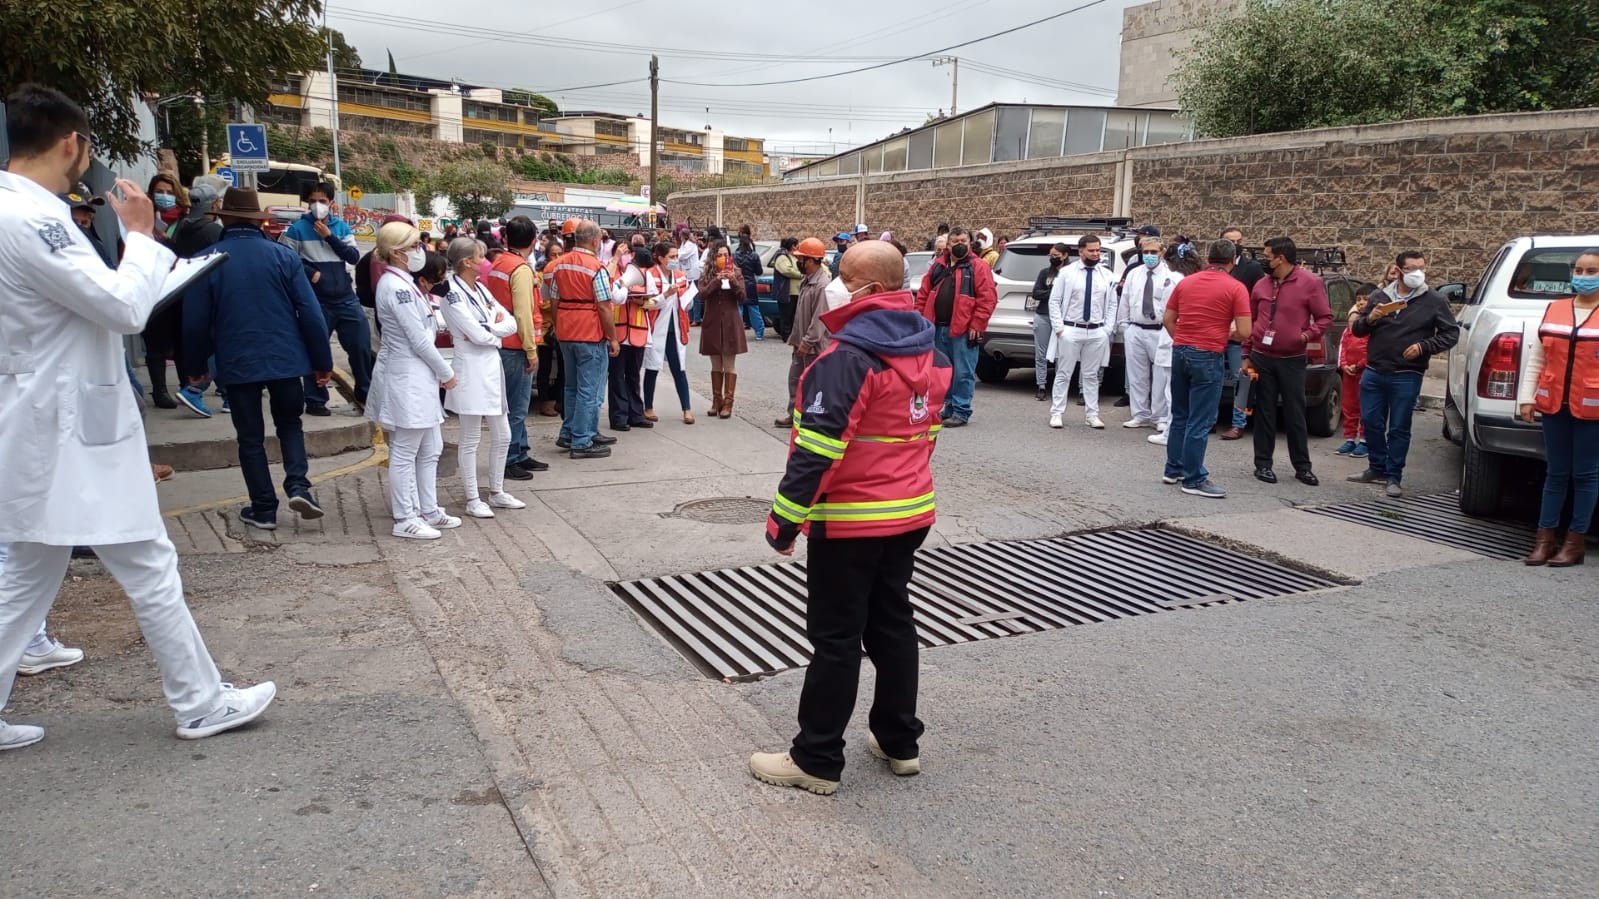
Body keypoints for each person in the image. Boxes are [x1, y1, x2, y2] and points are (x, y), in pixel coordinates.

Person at [0, 83, 276, 749]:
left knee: (27, 573)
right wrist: (144, 239)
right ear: (73, 143)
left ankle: (202, 697)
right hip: (71, 424)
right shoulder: (32, 220)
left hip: (43, 415)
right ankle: (200, 700)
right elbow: (121, 309)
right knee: (147, 564)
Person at [749, 240, 951, 796]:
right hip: (911, 512)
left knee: (836, 639)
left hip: (852, 522)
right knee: (893, 623)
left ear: (866, 288)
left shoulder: (845, 359)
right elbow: (925, 440)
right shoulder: (931, 354)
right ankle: (899, 741)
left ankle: (815, 758)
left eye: (844, 276)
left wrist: (783, 523)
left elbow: (815, 453)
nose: (837, 284)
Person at [183, 186, 334, 530]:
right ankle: (299, 485)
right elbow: (310, 313)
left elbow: (194, 322)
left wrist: (194, 367)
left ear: (224, 217)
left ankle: (264, 508)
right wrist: (321, 362)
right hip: (286, 359)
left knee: (250, 437)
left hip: (237, 361)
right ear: (258, 219)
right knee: (290, 424)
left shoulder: (207, 260)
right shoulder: (283, 257)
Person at [366, 221, 461, 538]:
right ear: (396, 253)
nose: (420, 251)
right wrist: (446, 373)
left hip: (418, 374)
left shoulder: (404, 282)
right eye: (413, 246)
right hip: (407, 374)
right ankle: (405, 517)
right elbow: (418, 340)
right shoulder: (396, 287)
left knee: (431, 447)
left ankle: (428, 509)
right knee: (406, 450)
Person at [1347, 251, 1460, 498]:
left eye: (1421, 267)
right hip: (1375, 370)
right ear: (1398, 271)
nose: (1418, 273)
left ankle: (1394, 475)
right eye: (1411, 268)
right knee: (1371, 421)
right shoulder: (1380, 295)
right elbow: (1357, 330)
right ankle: (1376, 467)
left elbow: (1451, 334)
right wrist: (1371, 318)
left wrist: (1423, 347)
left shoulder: (1434, 300)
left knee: (1399, 427)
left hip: (1407, 374)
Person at [1519, 249, 1599, 566]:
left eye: (1592, 271)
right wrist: (1527, 397)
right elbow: (1537, 357)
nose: (1583, 276)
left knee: (1586, 476)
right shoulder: (1555, 308)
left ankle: (1575, 543)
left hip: (1592, 410)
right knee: (1555, 473)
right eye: (1579, 270)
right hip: (1554, 405)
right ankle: (1544, 540)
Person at [440, 238, 528, 519]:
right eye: (481, 256)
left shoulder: (480, 288)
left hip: (490, 366)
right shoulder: (452, 293)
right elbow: (475, 334)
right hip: (470, 369)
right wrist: (494, 331)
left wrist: (490, 331)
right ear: (467, 261)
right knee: (471, 436)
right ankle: (472, 497)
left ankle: (497, 491)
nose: (485, 260)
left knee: (503, 433)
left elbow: (510, 320)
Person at [1162, 239, 1254, 498]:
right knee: (1200, 419)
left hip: (1180, 350)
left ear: (1209, 258)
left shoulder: (1186, 282)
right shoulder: (1236, 288)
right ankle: (1193, 478)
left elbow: (1168, 319)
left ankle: (1173, 468)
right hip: (1209, 353)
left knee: (1180, 413)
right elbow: (1245, 331)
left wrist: (1183, 339)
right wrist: (1224, 334)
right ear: (1233, 260)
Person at [1241, 237, 1332, 486]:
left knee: (1295, 413)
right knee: (1265, 412)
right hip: (1262, 356)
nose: (1264, 260)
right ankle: (1263, 465)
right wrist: (1246, 354)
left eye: (1268, 256)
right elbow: (1251, 320)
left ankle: (1302, 467)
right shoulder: (1261, 284)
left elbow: (1325, 318)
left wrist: (1306, 335)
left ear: (1281, 258)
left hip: (1292, 358)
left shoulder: (1310, 283)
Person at [280, 181, 372, 415]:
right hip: (316, 299)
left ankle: (365, 390)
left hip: (345, 297)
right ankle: (315, 399)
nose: (317, 205)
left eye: (322, 201)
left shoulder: (341, 227)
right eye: (312, 201)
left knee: (361, 345)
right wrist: (312, 273)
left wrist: (330, 236)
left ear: (331, 202)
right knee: (316, 347)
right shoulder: (296, 230)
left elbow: (352, 257)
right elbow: (287, 260)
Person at [485, 216, 548, 482]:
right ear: (534, 242)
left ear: (506, 238)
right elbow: (523, 312)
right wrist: (531, 349)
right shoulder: (520, 269)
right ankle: (510, 457)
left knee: (512, 405)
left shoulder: (500, 262)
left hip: (504, 341)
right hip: (516, 344)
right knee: (517, 406)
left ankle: (520, 451)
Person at [553, 220, 622, 459]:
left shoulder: (559, 265)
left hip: (565, 331)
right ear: (595, 241)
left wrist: (559, 323)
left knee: (571, 386)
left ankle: (572, 432)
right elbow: (604, 306)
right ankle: (582, 440)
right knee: (589, 390)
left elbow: (554, 300)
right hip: (589, 333)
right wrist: (612, 337)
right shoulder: (596, 267)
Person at [915, 227, 996, 428]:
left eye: (964, 240)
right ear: (948, 245)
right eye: (956, 240)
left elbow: (987, 299)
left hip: (963, 329)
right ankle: (949, 408)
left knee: (963, 372)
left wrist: (977, 324)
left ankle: (961, 410)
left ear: (970, 244)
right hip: (938, 328)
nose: (960, 244)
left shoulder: (978, 267)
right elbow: (923, 295)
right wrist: (919, 319)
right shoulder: (938, 266)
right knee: (944, 371)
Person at [169, 174, 229, 416]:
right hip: (211, 295)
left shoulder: (181, 227)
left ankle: (225, 394)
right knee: (220, 344)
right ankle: (196, 389)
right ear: (214, 204)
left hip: (185, 294)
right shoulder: (214, 231)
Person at [1047, 235, 1115, 429]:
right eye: (1091, 250)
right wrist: (1060, 329)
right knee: (1064, 372)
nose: (1096, 254)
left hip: (1096, 331)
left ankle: (1092, 414)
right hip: (1071, 329)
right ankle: (1057, 412)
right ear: (1081, 251)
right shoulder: (1067, 273)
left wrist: (1107, 330)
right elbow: (1054, 301)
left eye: (1098, 250)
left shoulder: (1106, 275)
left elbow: (1112, 304)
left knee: (1091, 375)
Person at [1118, 236, 1184, 430]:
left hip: (1160, 330)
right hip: (1136, 328)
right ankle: (1139, 414)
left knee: (1161, 376)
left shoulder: (1171, 275)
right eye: (1145, 252)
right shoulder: (1134, 274)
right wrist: (1125, 326)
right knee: (1137, 375)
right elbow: (1126, 300)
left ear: (1162, 252)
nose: (1149, 256)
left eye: (1153, 252)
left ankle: (1160, 417)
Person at [776, 237, 833, 428]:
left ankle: (810, 419)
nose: (798, 262)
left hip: (813, 347)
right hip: (801, 344)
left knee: (812, 384)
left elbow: (819, 318)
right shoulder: (807, 281)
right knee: (795, 380)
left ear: (810, 260)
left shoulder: (821, 285)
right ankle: (794, 415)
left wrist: (807, 342)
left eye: (801, 259)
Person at [1218, 227, 1265, 440]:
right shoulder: (1215, 268)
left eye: (1238, 241)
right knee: (1213, 378)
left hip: (1240, 335)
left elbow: (1258, 303)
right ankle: (1210, 419)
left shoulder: (1252, 269)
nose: (1235, 245)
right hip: (1218, 332)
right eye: (1230, 241)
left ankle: (1238, 423)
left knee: (1241, 379)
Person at [643, 240, 695, 425]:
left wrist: (687, 298)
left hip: (676, 328)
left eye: (677, 257)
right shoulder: (651, 275)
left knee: (679, 368)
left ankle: (686, 409)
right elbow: (647, 304)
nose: (675, 260)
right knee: (652, 367)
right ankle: (648, 407)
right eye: (672, 257)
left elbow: (687, 304)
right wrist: (665, 295)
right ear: (660, 258)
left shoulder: (680, 276)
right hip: (657, 327)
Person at [698, 239, 750, 419]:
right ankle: (716, 401)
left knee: (729, 364)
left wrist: (733, 280)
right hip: (712, 322)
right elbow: (702, 295)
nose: (723, 258)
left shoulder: (737, 273)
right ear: (713, 258)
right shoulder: (706, 274)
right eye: (719, 255)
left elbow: (743, 297)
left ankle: (728, 403)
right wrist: (716, 280)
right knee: (715, 364)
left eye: (726, 255)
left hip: (730, 322)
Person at [608, 244, 655, 431]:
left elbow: (653, 301)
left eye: (629, 254)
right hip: (618, 331)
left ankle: (635, 414)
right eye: (624, 253)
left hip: (638, 330)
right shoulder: (611, 270)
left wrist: (643, 301)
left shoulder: (645, 274)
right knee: (617, 376)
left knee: (633, 375)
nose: (628, 257)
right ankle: (619, 417)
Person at [1335, 284, 1377, 457]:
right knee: (1349, 406)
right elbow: (1343, 346)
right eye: (1358, 299)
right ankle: (1350, 438)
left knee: (1365, 407)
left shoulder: (1374, 327)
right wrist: (1344, 365)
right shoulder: (1352, 324)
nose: (1361, 303)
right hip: (1349, 373)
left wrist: (1359, 365)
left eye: (1366, 300)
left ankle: (1365, 441)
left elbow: (1372, 350)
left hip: (1364, 372)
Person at [1030, 243, 1069, 402]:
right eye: (1050, 255)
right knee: (1041, 353)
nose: (1052, 258)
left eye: (1056, 255)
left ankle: (1059, 388)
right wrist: (1053, 291)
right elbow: (1036, 293)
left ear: (1065, 255)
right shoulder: (1045, 273)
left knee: (1061, 355)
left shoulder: (1070, 273)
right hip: (1043, 315)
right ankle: (1041, 385)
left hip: (1063, 318)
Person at [536, 238, 564, 417]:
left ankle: (560, 400)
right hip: (546, 328)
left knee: (563, 366)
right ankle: (544, 400)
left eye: (560, 253)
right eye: (553, 254)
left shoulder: (564, 272)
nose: (557, 257)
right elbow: (541, 302)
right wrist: (557, 303)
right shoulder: (540, 275)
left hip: (563, 326)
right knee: (544, 367)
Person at [734, 225, 766, 340]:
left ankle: (736, 332)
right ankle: (759, 332)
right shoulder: (755, 255)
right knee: (754, 309)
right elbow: (759, 272)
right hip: (751, 284)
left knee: (739, 309)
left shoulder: (735, 255)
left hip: (739, 283)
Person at [771, 236, 803, 340]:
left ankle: (792, 335)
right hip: (787, 291)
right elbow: (787, 270)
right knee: (786, 315)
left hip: (796, 291)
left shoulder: (793, 256)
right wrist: (800, 275)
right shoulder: (782, 257)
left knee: (793, 314)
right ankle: (786, 336)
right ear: (793, 246)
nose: (799, 246)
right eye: (797, 244)